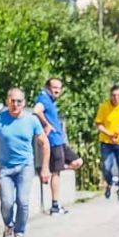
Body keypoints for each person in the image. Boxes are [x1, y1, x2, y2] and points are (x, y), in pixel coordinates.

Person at [0, 88, 50, 237]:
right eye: (12, 101)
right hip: (5, 169)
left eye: (19, 101)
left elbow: (45, 144)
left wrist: (45, 167)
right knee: (7, 202)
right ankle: (9, 226)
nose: (15, 104)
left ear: (24, 103)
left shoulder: (31, 120)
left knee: (22, 201)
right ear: (8, 101)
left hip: (25, 166)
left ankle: (20, 233)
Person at [32, 77, 83, 215]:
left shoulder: (50, 101)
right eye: (54, 88)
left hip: (59, 140)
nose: (57, 91)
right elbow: (36, 110)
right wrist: (46, 124)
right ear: (47, 88)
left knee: (78, 161)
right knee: (56, 173)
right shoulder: (43, 98)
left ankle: (49, 169)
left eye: (59, 88)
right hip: (53, 141)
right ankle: (55, 205)